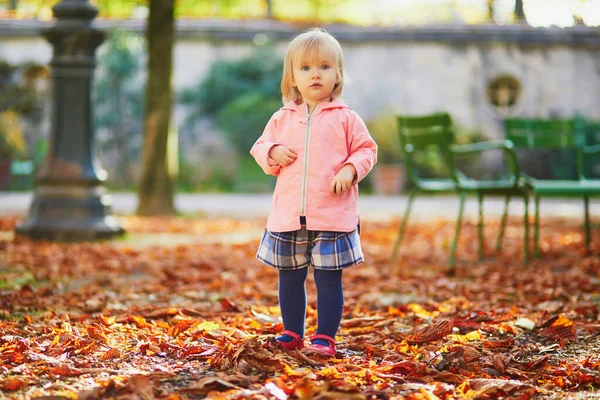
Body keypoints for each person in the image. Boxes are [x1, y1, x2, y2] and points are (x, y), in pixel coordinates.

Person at [250, 27, 377, 357]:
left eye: (324, 66)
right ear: (292, 76)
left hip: (332, 214)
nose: (315, 74)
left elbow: (366, 150)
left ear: (337, 74)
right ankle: (292, 331)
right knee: (289, 277)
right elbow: (260, 148)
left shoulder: (346, 118)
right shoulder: (282, 118)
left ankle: (325, 337)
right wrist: (272, 151)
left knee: (328, 278)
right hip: (289, 214)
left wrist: (350, 170)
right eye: (305, 68)